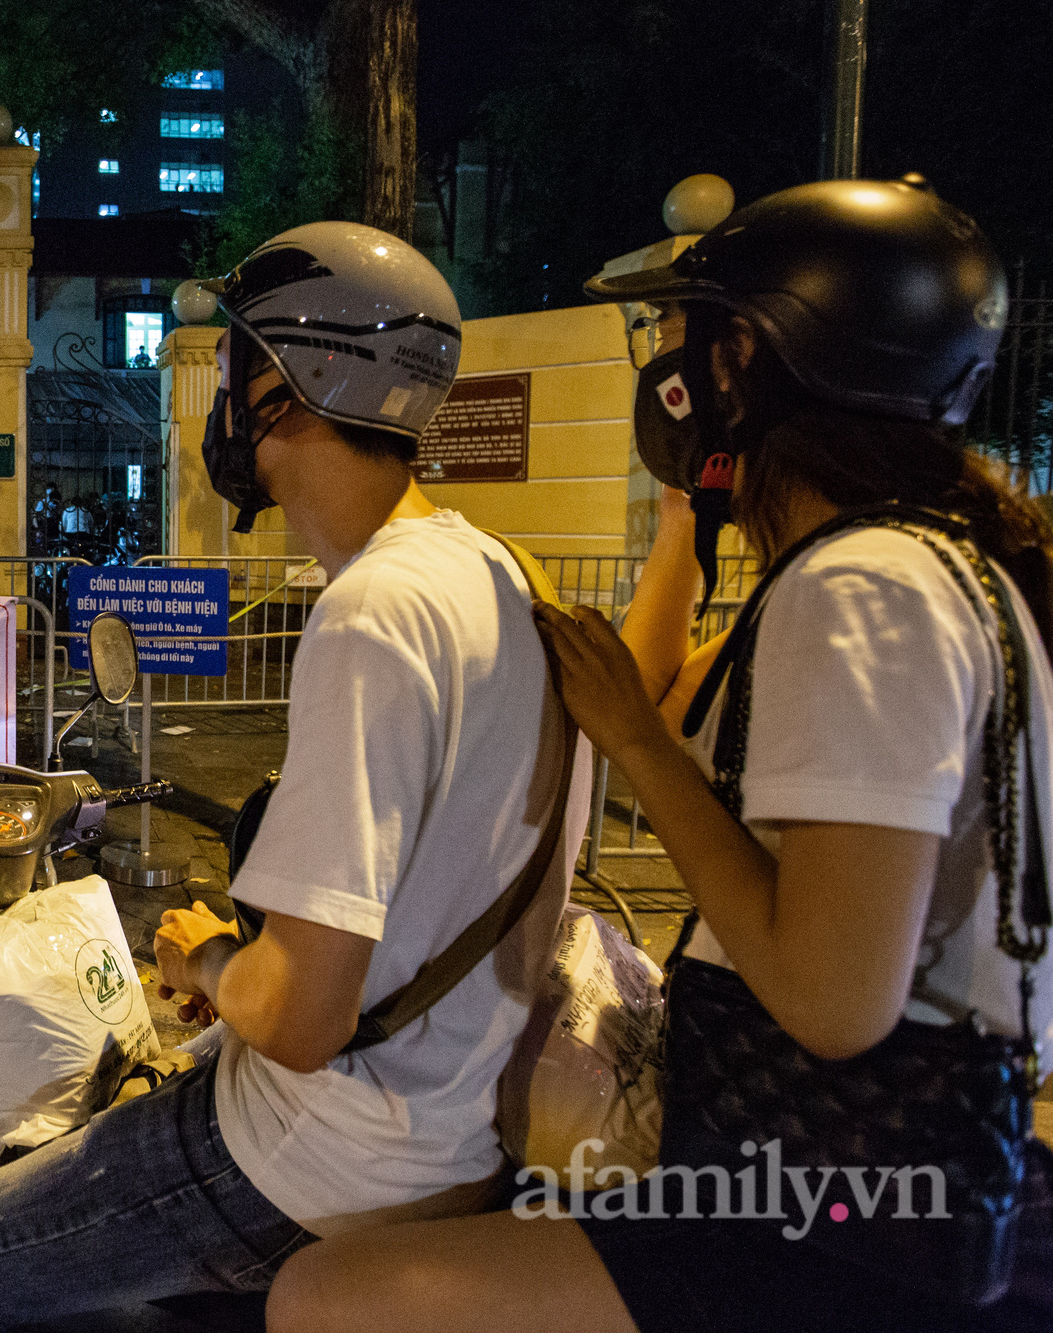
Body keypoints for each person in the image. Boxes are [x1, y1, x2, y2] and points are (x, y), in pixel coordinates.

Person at [265, 178, 1053, 1333]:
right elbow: (660, 693)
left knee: (326, 1297)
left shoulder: (864, 591)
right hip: (843, 1186)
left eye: (678, 334)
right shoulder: (905, 567)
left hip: (838, 1218)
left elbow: (833, 1000)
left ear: (741, 355)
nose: (662, 371)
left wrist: (635, 744)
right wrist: (692, 512)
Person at [0, 222, 581, 1331]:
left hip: (324, 1145)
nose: (219, 397)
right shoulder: (491, 568)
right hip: (452, 1116)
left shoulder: (371, 614)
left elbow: (300, 1015)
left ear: (287, 390)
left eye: (233, 365)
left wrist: (206, 956)